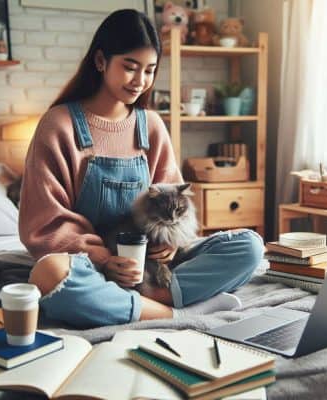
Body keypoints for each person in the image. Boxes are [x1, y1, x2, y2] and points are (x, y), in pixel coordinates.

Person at [19, 9, 264, 328]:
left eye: (149, 70)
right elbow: (45, 224)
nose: (140, 81)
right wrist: (106, 261)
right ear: (100, 61)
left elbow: (174, 195)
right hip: (91, 266)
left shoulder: (150, 126)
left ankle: (138, 302)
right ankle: (175, 313)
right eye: (130, 68)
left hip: (151, 267)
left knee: (250, 247)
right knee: (49, 275)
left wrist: (169, 244)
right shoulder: (58, 126)